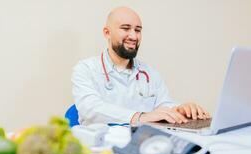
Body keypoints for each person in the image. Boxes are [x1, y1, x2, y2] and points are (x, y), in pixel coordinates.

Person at [72, 7, 210, 126]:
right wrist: (139, 117)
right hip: (100, 148)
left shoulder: (150, 73)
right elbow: (89, 108)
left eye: (138, 30)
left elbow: (163, 105)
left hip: (143, 146)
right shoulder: (86, 69)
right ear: (107, 32)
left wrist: (180, 109)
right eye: (125, 28)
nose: (133, 36)